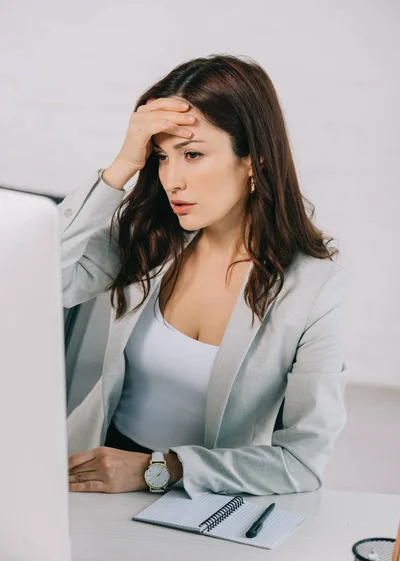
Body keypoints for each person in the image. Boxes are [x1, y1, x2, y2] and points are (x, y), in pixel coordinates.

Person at [63, 54, 349, 499]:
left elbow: (303, 462)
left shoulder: (313, 287)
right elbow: (44, 283)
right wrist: (119, 167)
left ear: (252, 158)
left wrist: (157, 469)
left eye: (192, 154)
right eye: (160, 157)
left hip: (201, 497)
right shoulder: (150, 235)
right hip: (83, 474)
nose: (172, 179)